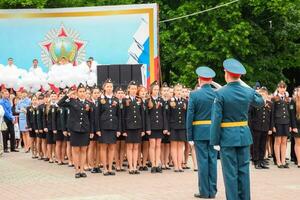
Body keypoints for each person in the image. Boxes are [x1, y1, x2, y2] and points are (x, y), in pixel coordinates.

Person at [210, 58, 264, 200]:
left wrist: (215, 140)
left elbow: (216, 119)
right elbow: (261, 101)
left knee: (230, 173)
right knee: (244, 171)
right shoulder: (247, 92)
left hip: (227, 137)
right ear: (240, 76)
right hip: (244, 136)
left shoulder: (220, 93)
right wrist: (244, 84)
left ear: (226, 73)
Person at [187, 66, 218, 198]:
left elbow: (190, 116)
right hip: (213, 131)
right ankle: (212, 191)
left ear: (199, 80)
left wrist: (189, 136)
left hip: (199, 132)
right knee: (213, 161)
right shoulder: (217, 93)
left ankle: (204, 192)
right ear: (210, 80)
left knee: (202, 162)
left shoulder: (194, 94)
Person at [58, 83, 94, 178]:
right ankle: (77, 170)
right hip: (74, 129)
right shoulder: (72, 101)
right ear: (77, 92)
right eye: (80, 91)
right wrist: (68, 95)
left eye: (84, 92)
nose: (82, 93)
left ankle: (82, 170)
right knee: (76, 150)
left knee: (83, 150)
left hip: (85, 129)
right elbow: (59, 103)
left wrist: (91, 131)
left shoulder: (89, 103)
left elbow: (91, 118)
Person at [95, 79, 121, 176]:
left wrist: (119, 129)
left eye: (111, 86)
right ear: (104, 88)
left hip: (113, 127)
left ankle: (110, 168)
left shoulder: (116, 100)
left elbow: (119, 116)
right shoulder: (100, 100)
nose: (109, 88)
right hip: (103, 128)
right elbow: (96, 116)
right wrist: (97, 129)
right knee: (103, 147)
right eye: (107, 86)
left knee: (111, 148)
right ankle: (105, 168)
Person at [271, 81, 297, 168]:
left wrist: (290, 125)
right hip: (278, 122)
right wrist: (272, 126)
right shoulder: (274, 98)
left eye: (284, 87)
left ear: (285, 88)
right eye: (280, 87)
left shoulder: (287, 99)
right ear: (278, 88)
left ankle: (283, 161)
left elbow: (290, 112)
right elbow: (273, 113)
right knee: (277, 141)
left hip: (286, 122)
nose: (282, 89)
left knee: (284, 142)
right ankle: (278, 161)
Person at [122, 81, 145, 174]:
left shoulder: (139, 100)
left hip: (137, 127)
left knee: (136, 147)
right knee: (129, 147)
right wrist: (123, 129)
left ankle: (135, 166)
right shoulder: (125, 100)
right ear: (128, 89)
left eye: (135, 89)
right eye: (132, 88)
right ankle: (130, 166)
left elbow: (142, 115)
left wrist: (143, 129)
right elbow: (123, 115)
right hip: (128, 127)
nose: (134, 90)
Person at [145, 81, 168, 173]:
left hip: (160, 125)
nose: (156, 91)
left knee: (158, 145)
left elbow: (164, 114)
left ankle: (157, 163)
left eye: (157, 90)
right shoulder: (148, 100)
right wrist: (148, 128)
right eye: (154, 89)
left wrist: (165, 127)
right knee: (152, 145)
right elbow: (146, 115)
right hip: (151, 126)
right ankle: (153, 164)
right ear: (151, 90)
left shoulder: (161, 100)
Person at [249, 87, 272, 169]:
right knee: (256, 145)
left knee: (263, 145)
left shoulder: (269, 104)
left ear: (266, 95)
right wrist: (250, 127)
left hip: (265, 127)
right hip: (256, 127)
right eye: (261, 95)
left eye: (264, 95)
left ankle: (261, 161)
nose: (263, 96)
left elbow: (271, 118)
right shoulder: (254, 104)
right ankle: (256, 161)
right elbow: (250, 117)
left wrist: (270, 128)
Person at [0, 88, 18, 152]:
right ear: (2, 94)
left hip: (10, 118)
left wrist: (12, 118)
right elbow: (5, 112)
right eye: (6, 94)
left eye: (8, 94)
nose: (7, 95)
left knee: (12, 133)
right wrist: (11, 117)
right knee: (5, 134)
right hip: (5, 119)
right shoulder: (1, 102)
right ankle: (5, 148)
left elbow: (10, 110)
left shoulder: (8, 101)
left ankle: (12, 147)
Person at [114, 87, 126, 172]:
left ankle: (121, 164)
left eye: (122, 93)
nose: (120, 94)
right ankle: (117, 164)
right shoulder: (114, 102)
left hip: (124, 127)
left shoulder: (126, 102)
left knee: (122, 148)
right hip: (116, 127)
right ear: (115, 94)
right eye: (118, 93)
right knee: (116, 147)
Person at [291, 87, 300, 167]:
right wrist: (293, 126)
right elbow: (292, 115)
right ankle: (299, 161)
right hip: (297, 125)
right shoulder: (293, 101)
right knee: (297, 143)